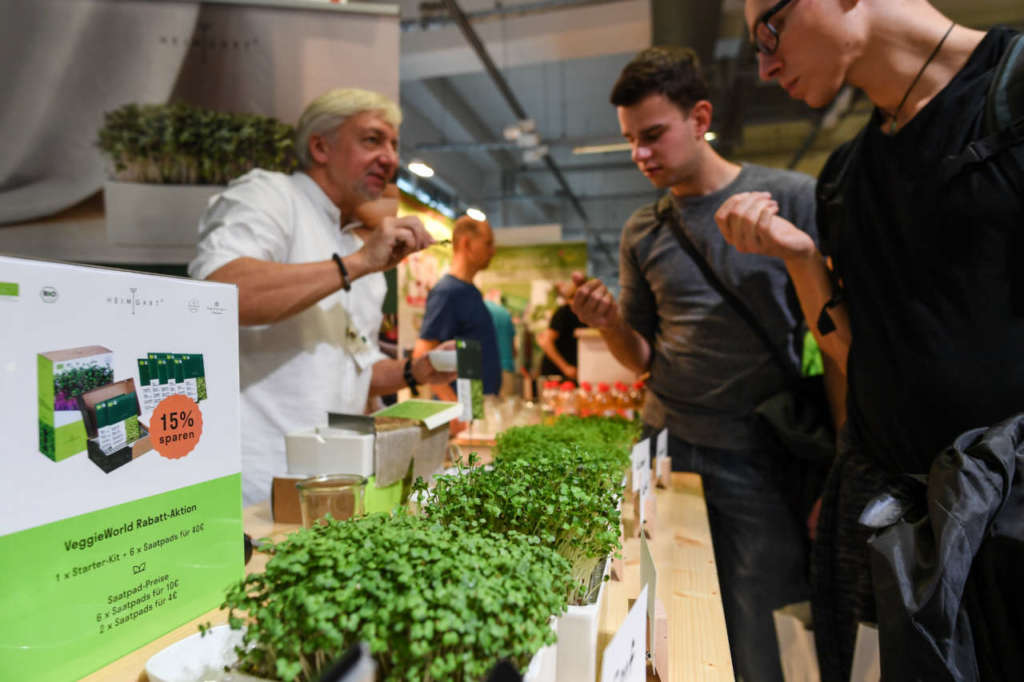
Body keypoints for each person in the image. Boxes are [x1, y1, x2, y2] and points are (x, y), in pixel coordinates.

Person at [716, 2, 1024, 679]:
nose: (765, 66)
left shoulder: (1011, 95)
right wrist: (801, 259)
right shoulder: (845, 177)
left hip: (1003, 531)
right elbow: (857, 354)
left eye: (770, 30)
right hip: (878, 521)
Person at [570, 46, 832, 682]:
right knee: (665, 621)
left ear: (701, 118)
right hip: (664, 446)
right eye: (630, 140)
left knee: (761, 624)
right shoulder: (644, 230)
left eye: (653, 134)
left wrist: (842, 464)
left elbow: (837, 335)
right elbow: (643, 356)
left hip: (758, 453)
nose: (640, 154)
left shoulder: (790, 199)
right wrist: (609, 324)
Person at [188, 88, 455, 505]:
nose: (389, 158)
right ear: (320, 147)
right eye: (372, 139)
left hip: (334, 485)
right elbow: (218, 293)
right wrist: (357, 264)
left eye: (393, 145)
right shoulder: (270, 195)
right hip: (255, 484)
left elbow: (353, 367)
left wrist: (415, 371)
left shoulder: (354, 245)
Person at [413, 215, 502, 400]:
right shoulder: (447, 293)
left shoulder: (470, 291)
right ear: (466, 244)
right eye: (488, 244)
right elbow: (422, 355)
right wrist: (456, 407)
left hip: (478, 404)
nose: (493, 251)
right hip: (462, 408)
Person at [537, 282, 586, 381]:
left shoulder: (585, 315)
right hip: (556, 372)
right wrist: (565, 367)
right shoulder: (564, 313)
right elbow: (546, 342)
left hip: (573, 372)